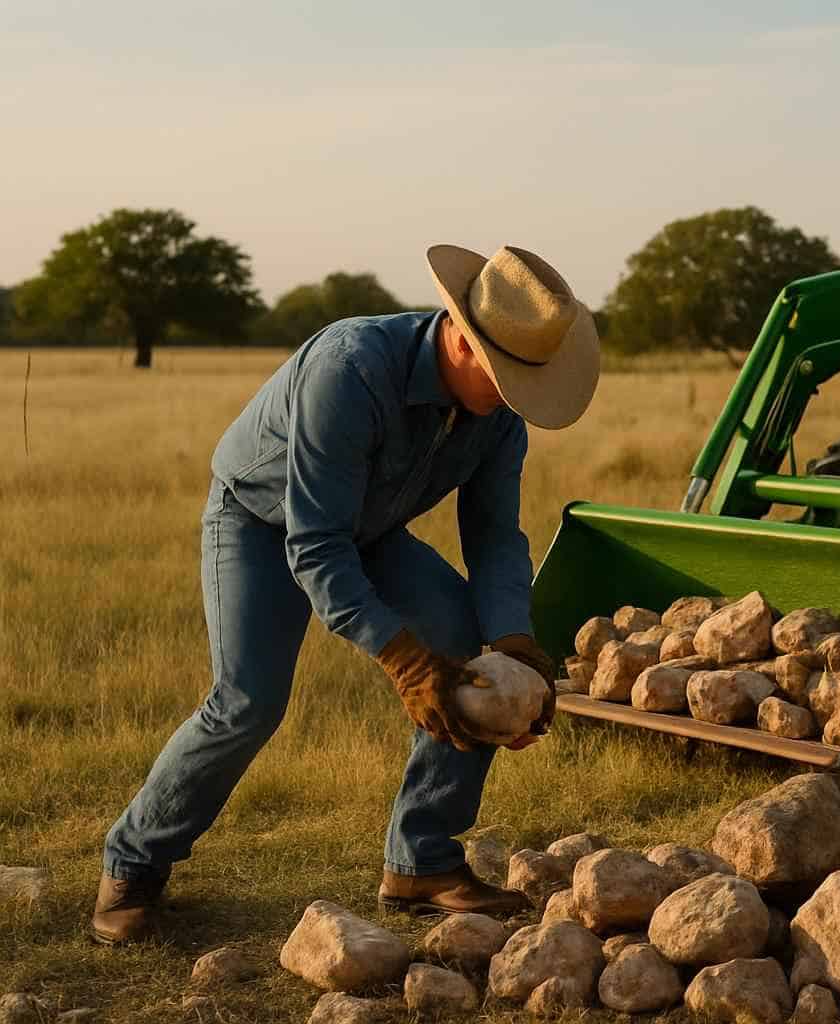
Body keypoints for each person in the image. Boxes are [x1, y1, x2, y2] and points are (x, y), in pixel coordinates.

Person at [91, 245, 600, 944]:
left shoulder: (500, 417)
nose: (514, 398)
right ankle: (133, 864)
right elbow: (315, 545)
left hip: (370, 526)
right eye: (506, 376)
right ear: (460, 335)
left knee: (465, 647)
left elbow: (494, 534)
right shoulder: (352, 368)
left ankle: (421, 861)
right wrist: (403, 660)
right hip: (260, 521)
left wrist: (513, 642)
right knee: (248, 701)